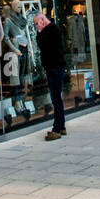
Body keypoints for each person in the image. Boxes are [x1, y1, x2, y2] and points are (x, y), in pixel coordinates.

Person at [34, 12, 67, 141]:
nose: (36, 26)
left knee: (56, 98)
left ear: (42, 20)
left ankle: (57, 128)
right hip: (53, 66)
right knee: (56, 97)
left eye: (37, 23)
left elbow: (43, 45)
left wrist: (39, 33)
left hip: (55, 67)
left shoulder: (52, 30)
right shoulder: (49, 30)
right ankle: (61, 126)